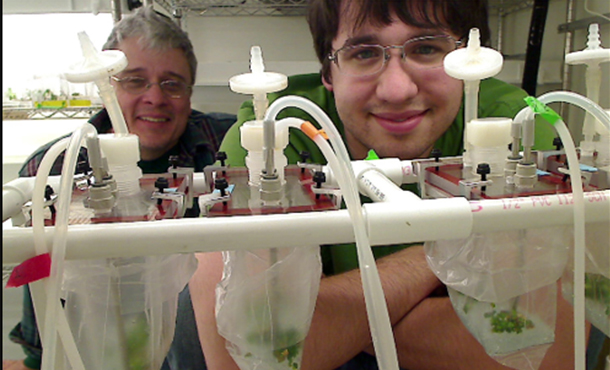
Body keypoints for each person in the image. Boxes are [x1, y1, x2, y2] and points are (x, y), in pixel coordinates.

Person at [188, 0, 596, 369]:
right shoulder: (272, 133)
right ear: (328, 71)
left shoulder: (514, 128)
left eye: (426, 48)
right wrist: (435, 254)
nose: (397, 89)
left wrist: (335, 323)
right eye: (363, 53)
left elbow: (549, 352)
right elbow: (239, 358)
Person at [7, 6, 234, 370]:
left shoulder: (227, 145)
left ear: (190, 93)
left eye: (171, 83)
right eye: (134, 80)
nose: (155, 98)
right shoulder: (51, 169)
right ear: (108, 86)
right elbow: (44, 338)